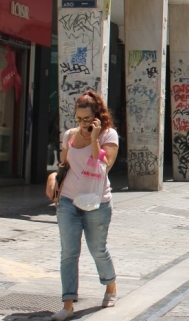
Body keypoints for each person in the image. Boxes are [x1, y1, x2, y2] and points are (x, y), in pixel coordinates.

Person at [51, 91, 119, 321]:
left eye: (86, 119)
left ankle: (110, 286)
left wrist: (93, 138)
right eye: (78, 119)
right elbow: (64, 163)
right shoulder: (69, 135)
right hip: (69, 201)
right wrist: (54, 178)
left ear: (96, 117)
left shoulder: (109, 135)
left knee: (97, 250)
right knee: (68, 253)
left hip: (97, 202)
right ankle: (68, 304)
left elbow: (104, 165)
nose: (81, 124)